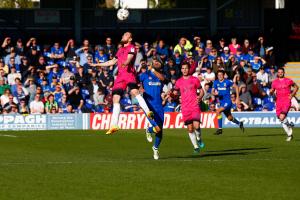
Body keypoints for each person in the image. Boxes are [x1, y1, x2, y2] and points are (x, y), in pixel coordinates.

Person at [96, 32, 157, 135]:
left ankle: (148, 112)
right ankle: (114, 125)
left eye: (125, 35)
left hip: (129, 74)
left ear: (130, 39)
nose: (122, 36)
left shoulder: (132, 47)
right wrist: (97, 64)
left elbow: (129, 58)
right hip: (120, 76)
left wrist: (125, 62)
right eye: (123, 35)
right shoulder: (120, 50)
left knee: (134, 92)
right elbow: (112, 62)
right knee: (116, 99)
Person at [174, 62, 205, 153]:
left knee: (197, 126)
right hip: (185, 108)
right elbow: (175, 93)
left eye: (186, 68)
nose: (184, 70)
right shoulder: (179, 81)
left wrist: (200, 97)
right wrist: (171, 94)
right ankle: (195, 146)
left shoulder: (195, 79)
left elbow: (201, 90)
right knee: (190, 128)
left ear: (189, 69)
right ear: (181, 70)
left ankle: (199, 138)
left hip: (194, 106)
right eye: (183, 68)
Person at [139, 58, 165, 160]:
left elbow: (163, 79)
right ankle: (149, 129)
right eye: (155, 61)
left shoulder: (161, 76)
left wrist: (154, 70)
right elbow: (138, 86)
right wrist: (140, 90)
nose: (156, 63)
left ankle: (155, 148)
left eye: (158, 61)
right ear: (152, 63)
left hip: (159, 106)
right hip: (148, 106)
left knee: (160, 131)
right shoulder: (144, 75)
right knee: (157, 128)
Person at [270, 67, 299, 141]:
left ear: (284, 72)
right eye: (279, 72)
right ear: (277, 73)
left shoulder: (288, 80)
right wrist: (271, 92)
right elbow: (272, 90)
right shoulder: (274, 82)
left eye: (281, 72)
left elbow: (296, 87)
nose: (280, 73)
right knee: (281, 119)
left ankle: (289, 126)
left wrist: (292, 95)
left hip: (286, 100)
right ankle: (289, 134)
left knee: (282, 117)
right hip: (278, 101)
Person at [212, 70, 244, 135]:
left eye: (221, 75)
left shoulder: (227, 81)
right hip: (221, 102)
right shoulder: (215, 82)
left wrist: (237, 98)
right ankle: (239, 123)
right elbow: (212, 91)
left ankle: (220, 129)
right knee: (230, 118)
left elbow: (236, 87)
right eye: (218, 75)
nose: (219, 76)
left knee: (218, 111)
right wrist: (214, 94)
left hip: (228, 102)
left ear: (223, 75)